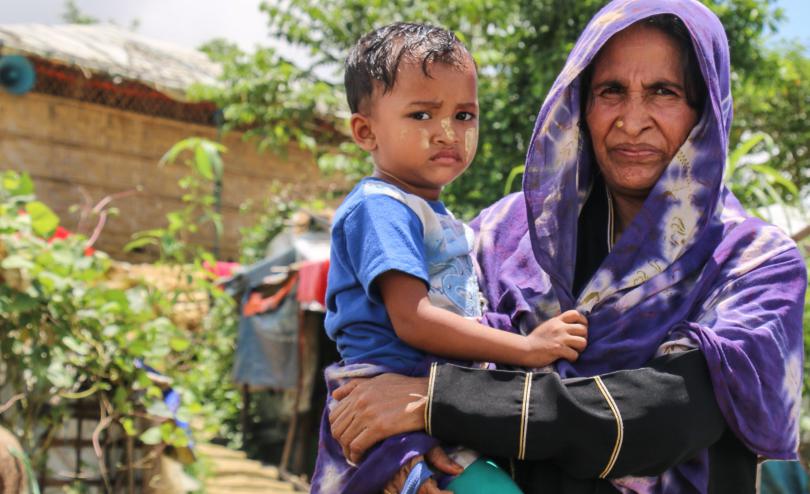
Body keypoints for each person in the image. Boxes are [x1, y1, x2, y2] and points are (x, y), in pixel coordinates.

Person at [327, 1, 807, 493]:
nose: (632, 119)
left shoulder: (753, 263)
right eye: (611, 91)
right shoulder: (506, 235)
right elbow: (376, 354)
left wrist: (437, 401)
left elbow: (671, 413)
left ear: (705, 106)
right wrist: (402, 456)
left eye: (664, 91)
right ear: (580, 102)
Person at [311, 22, 589, 494]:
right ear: (365, 131)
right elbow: (413, 320)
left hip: (427, 397)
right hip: (389, 407)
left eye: (464, 115)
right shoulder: (381, 207)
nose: (447, 133)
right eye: (421, 115)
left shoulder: (432, 212)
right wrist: (528, 348)